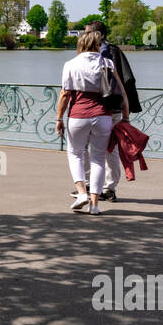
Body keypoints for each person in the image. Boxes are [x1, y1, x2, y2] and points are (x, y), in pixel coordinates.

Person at [55, 29, 128, 215]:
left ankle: (81, 192)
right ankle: (94, 205)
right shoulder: (108, 63)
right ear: (97, 45)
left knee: (75, 154)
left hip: (78, 116)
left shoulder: (70, 64)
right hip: (103, 116)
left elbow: (65, 94)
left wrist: (59, 118)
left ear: (80, 44)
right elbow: (121, 91)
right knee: (98, 159)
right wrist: (125, 117)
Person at [87, 21, 143, 202]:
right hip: (113, 107)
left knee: (90, 148)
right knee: (111, 149)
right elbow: (128, 81)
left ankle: (91, 185)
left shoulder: (88, 54)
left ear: (98, 34)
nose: (84, 36)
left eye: (87, 32)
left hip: (91, 108)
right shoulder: (114, 52)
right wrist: (127, 109)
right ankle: (108, 188)